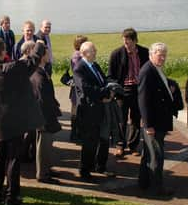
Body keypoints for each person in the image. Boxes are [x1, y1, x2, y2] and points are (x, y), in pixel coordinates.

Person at [0, 37, 44, 205]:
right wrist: (40, 44)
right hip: (13, 124)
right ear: (3, 52)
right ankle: (12, 197)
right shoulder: (11, 69)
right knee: (13, 160)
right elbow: (33, 61)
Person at [137, 42, 175, 196]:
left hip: (158, 121)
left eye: (164, 54)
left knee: (148, 153)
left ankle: (144, 182)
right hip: (154, 123)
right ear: (151, 54)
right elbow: (143, 99)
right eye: (159, 54)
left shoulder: (155, 68)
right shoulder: (147, 71)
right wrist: (148, 125)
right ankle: (157, 188)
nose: (163, 57)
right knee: (156, 156)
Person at [73, 41, 115, 180]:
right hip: (88, 112)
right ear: (85, 53)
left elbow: (103, 81)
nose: (96, 52)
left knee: (100, 139)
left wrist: (110, 89)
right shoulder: (79, 68)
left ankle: (97, 166)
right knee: (89, 142)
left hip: (99, 109)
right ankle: (84, 171)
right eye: (93, 50)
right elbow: (86, 89)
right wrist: (104, 94)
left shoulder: (94, 65)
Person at [108, 27, 150, 157]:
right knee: (121, 119)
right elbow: (110, 75)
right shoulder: (116, 54)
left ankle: (133, 145)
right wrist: (115, 90)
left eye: (129, 42)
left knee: (136, 119)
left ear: (135, 40)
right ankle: (120, 145)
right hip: (122, 91)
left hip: (139, 90)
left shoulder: (144, 52)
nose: (126, 45)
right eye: (124, 42)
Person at [30, 44, 62, 184]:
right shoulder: (39, 75)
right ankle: (43, 174)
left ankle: (46, 169)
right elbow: (42, 98)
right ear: (42, 56)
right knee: (43, 146)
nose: (49, 55)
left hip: (44, 115)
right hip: (44, 117)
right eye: (47, 53)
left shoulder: (40, 71)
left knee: (46, 145)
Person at [69, 35, 88, 142]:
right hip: (78, 87)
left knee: (76, 109)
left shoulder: (78, 55)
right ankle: (75, 134)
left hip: (77, 87)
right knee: (76, 109)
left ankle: (76, 133)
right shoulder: (77, 56)